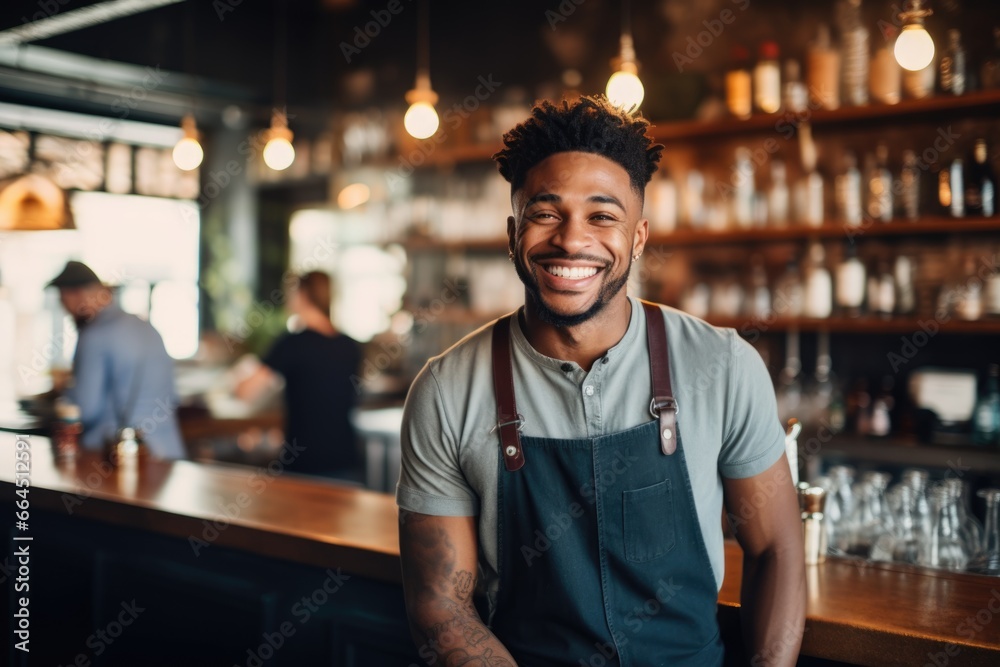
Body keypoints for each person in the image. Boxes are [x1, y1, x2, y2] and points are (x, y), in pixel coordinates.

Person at [396, 96, 806, 666]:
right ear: (513, 233)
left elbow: (777, 550)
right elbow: (441, 608)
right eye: (545, 213)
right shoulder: (445, 392)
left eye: (602, 216)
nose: (571, 239)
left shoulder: (725, 365)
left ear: (637, 237)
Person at [48, 260, 185, 459]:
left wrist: (65, 396)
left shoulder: (94, 335)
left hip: (119, 460)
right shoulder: (147, 327)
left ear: (74, 294)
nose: (65, 309)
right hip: (168, 454)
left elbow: (86, 410)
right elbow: (172, 395)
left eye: (63, 299)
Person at [236, 271, 363, 481]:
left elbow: (246, 392)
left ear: (302, 294)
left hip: (305, 466)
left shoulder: (292, 344)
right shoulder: (350, 347)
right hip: (346, 461)